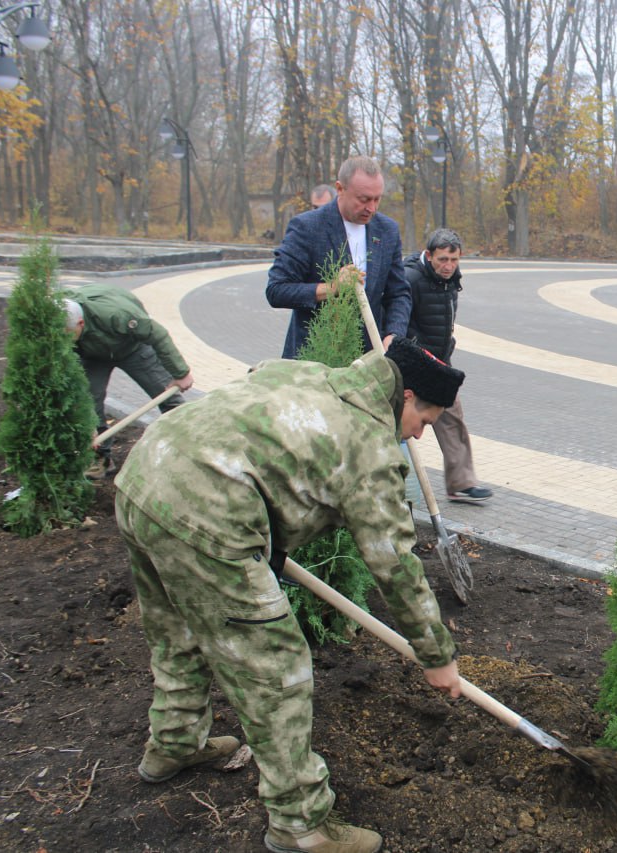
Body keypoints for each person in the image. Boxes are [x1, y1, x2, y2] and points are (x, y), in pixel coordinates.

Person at [114, 337, 465, 853]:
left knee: (177, 630)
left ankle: (174, 743)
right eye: (426, 422)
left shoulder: (309, 372)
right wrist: (437, 655)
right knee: (275, 671)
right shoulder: (368, 446)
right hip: (209, 517)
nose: (417, 434)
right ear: (407, 397)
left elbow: (259, 381)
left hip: (146, 475)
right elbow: (394, 563)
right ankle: (301, 825)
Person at [267, 156, 410, 358]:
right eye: (364, 199)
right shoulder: (307, 227)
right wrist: (332, 288)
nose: (372, 208)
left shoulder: (387, 230)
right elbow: (276, 290)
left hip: (366, 363)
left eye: (377, 199)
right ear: (340, 189)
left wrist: (394, 334)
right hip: (313, 357)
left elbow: (399, 293)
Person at [63, 283, 194, 480]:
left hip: (133, 348)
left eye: (68, 335)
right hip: (92, 355)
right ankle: (100, 458)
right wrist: (87, 424)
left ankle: (190, 450)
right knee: (91, 400)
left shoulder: (117, 315)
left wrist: (181, 372)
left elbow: (156, 334)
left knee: (168, 398)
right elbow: (71, 378)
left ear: (81, 323)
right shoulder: (58, 315)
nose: (65, 340)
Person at [403, 228, 493, 504]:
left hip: (439, 362)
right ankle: (399, 486)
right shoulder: (410, 279)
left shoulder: (451, 280)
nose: (448, 266)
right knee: (400, 426)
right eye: (443, 260)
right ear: (429, 255)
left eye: (454, 260)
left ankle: (461, 483)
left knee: (452, 416)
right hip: (413, 365)